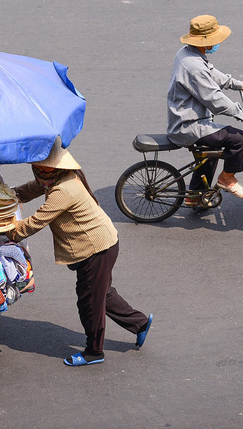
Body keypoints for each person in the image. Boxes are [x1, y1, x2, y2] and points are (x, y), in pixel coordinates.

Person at [9, 139, 152, 367]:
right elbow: (29, 189)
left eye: (43, 169)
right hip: (103, 243)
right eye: (37, 168)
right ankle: (140, 323)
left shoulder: (64, 189)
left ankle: (94, 352)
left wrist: (7, 231)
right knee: (102, 294)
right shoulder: (54, 179)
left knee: (89, 302)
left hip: (96, 250)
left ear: (55, 168)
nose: (39, 172)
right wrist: (6, 197)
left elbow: (35, 222)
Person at [167, 14, 243, 202]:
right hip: (189, 125)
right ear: (206, 42)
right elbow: (214, 98)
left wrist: (236, 84)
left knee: (212, 150)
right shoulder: (193, 67)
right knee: (239, 140)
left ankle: (194, 196)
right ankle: (226, 178)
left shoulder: (188, 53)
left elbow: (211, 73)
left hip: (186, 118)